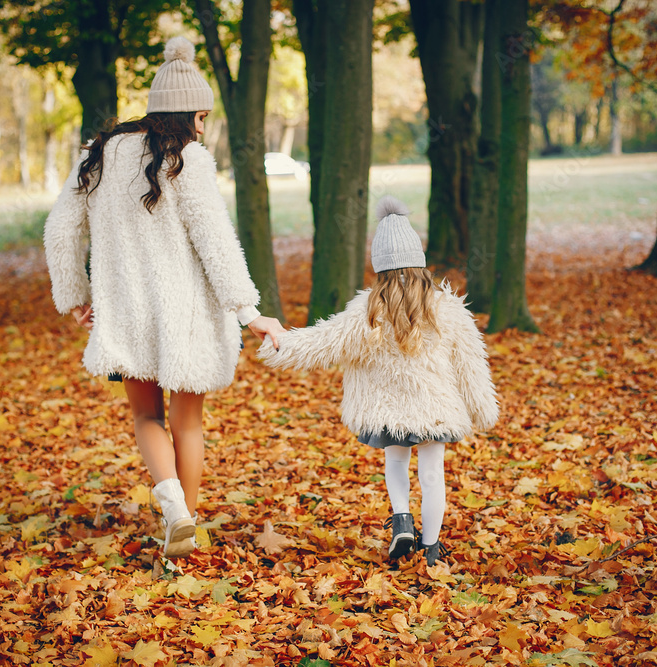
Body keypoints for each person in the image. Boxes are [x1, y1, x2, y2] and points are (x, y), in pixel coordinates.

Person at [44, 37, 284, 559]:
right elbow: (216, 241)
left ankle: (170, 506)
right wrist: (249, 311)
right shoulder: (187, 159)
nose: (203, 128)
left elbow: (61, 229)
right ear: (188, 115)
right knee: (187, 422)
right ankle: (187, 526)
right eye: (201, 117)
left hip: (125, 311)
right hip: (185, 315)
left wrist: (76, 296)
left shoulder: (100, 153)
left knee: (145, 417)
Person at [258, 197, 499, 566]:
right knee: (433, 473)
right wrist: (483, 408)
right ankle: (431, 549)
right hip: (435, 409)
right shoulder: (447, 308)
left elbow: (323, 342)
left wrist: (280, 345)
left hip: (387, 409)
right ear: (419, 260)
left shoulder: (367, 310)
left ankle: (401, 518)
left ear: (380, 265)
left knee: (397, 463)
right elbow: (471, 364)